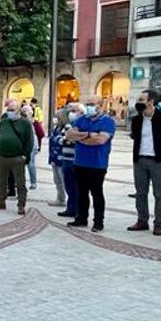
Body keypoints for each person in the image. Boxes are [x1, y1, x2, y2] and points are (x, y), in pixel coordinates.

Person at [128, 89, 161, 236]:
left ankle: (159, 223)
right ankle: (142, 220)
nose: (138, 103)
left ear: (151, 101)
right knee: (141, 193)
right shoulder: (137, 119)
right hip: (140, 160)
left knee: (160, 193)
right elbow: (135, 136)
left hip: (159, 161)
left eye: (141, 100)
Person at [65, 95, 116, 232]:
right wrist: (89, 134)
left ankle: (98, 222)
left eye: (92, 104)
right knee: (81, 192)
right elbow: (70, 136)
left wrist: (80, 137)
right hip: (80, 162)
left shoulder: (107, 121)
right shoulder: (81, 119)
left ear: (100, 105)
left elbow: (100, 140)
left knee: (96, 193)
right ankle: (81, 218)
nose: (89, 106)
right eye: (87, 103)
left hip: (97, 163)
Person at [0, 100, 33, 214]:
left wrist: (24, 156)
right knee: (1, 181)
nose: (9, 112)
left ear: (18, 110)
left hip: (17, 158)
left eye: (12, 110)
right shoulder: (4, 122)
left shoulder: (25, 123)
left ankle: (21, 204)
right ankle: (1, 201)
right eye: (8, 110)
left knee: (20, 183)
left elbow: (29, 141)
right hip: (1, 157)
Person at [55, 102, 83, 218]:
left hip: (77, 160)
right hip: (66, 159)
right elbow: (58, 139)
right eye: (70, 111)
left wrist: (70, 138)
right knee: (68, 185)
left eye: (74, 111)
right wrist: (68, 138)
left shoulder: (83, 125)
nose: (71, 113)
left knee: (77, 187)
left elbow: (81, 139)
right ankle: (70, 208)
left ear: (81, 113)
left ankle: (77, 210)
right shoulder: (68, 125)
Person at [47, 109, 69, 208]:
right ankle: (60, 198)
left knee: (65, 181)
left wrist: (58, 140)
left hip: (62, 158)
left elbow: (64, 141)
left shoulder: (67, 128)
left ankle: (71, 201)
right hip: (54, 157)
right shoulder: (56, 128)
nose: (55, 119)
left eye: (57, 117)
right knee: (57, 180)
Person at [21, 104, 43, 190]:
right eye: (23, 111)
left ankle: (33, 183)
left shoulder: (33, 121)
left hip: (32, 145)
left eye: (25, 111)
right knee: (20, 164)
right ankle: (20, 183)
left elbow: (41, 133)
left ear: (31, 112)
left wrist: (38, 146)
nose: (24, 113)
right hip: (22, 144)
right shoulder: (21, 120)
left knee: (31, 164)